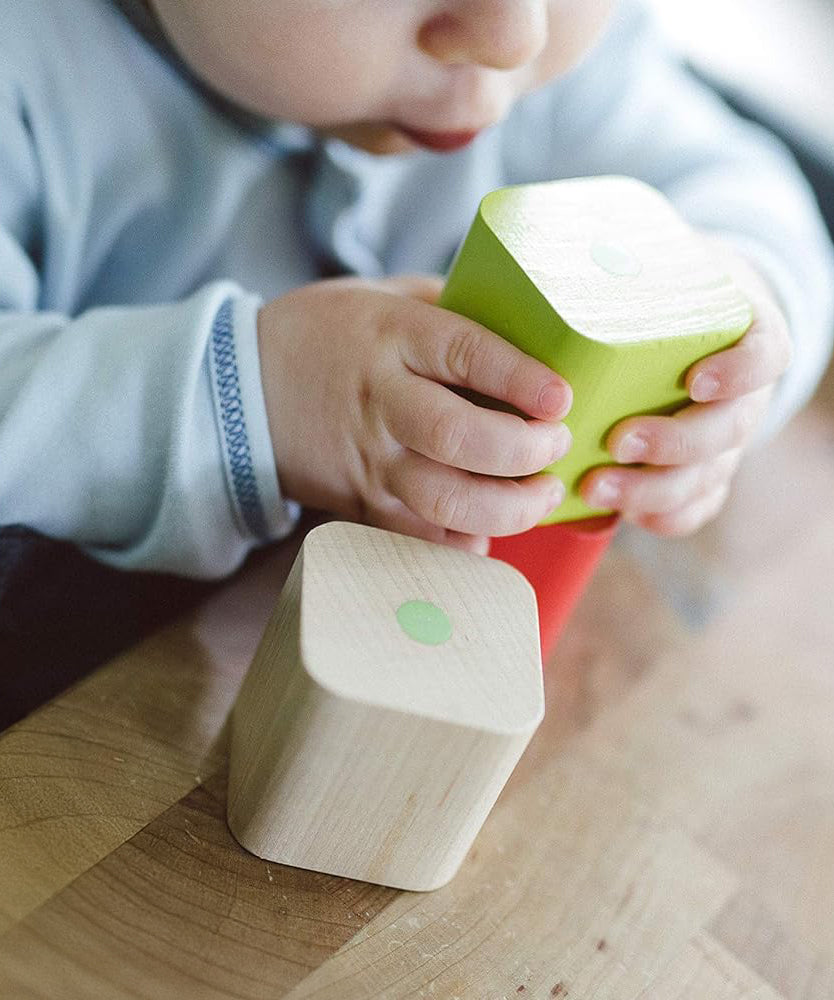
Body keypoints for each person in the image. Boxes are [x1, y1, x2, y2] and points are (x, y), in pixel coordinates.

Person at [1, 0, 833, 579]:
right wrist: (250, 395)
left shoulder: (567, 66)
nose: (510, 35)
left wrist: (735, 320)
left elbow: (744, 195)